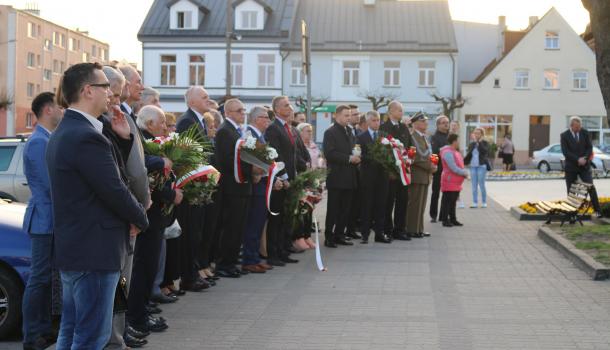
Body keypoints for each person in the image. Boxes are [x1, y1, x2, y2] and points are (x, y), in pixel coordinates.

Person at [46, 62, 148, 350]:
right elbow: (113, 188)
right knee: (91, 336)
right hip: (93, 250)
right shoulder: (84, 136)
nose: (112, 95)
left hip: (80, 248)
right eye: (105, 87)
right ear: (88, 91)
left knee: (72, 331)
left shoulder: (76, 130)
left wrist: (122, 138)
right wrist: (141, 217)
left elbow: (107, 176)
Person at [101, 65, 150, 350]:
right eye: (112, 94)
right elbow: (120, 177)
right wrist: (137, 210)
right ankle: (113, 337)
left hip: (127, 215)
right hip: (118, 219)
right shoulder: (97, 127)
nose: (115, 101)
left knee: (121, 284)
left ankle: (118, 333)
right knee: (115, 283)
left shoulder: (118, 121)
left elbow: (135, 168)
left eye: (118, 95)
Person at [128, 106, 182, 334]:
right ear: (149, 125)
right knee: (140, 269)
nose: (166, 127)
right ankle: (136, 318)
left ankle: (140, 313)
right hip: (146, 216)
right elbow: (144, 178)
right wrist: (170, 194)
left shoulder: (152, 143)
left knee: (146, 269)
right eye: (162, 123)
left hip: (153, 216)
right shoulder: (146, 144)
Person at [21, 92, 63, 350]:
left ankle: (45, 328)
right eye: (59, 106)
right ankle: (31, 334)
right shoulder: (38, 142)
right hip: (43, 220)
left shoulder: (47, 139)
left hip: (50, 219)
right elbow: (49, 185)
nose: (62, 111)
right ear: (48, 110)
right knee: (38, 278)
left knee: (49, 278)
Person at [215, 98, 256, 277]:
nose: (243, 113)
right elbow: (227, 159)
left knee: (238, 227)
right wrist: (251, 169)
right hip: (232, 187)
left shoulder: (239, 131)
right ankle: (225, 264)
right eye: (239, 110)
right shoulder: (225, 131)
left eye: (243, 110)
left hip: (242, 185)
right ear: (228, 113)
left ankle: (231, 263)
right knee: (231, 227)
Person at [242, 106, 279, 273]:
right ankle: (249, 259)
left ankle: (255, 257)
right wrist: (255, 171)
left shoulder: (260, 135)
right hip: (256, 183)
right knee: (253, 223)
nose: (268, 121)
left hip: (263, 182)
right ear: (256, 119)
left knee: (258, 223)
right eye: (265, 117)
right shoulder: (249, 134)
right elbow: (247, 159)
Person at [264, 96, 299, 265]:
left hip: (289, 178)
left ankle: (283, 250)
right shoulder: (273, 128)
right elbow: (276, 155)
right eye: (286, 105)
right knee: (276, 218)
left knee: (285, 217)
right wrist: (284, 177)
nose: (290, 108)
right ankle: (273, 254)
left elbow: (292, 155)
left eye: (290, 105)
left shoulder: (287, 127)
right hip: (278, 181)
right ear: (277, 109)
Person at [323, 105, 360, 248]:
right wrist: (349, 158)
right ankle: (329, 237)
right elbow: (330, 153)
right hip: (337, 177)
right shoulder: (330, 132)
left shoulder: (350, 131)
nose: (348, 118)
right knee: (333, 209)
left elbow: (353, 148)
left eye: (349, 115)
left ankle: (340, 234)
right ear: (336, 116)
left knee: (345, 209)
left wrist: (357, 154)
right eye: (346, 115)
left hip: (350, 176)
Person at [357, 111, 391, 244]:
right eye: (374, 120)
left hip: (383, 177)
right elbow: (359, 155)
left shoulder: (385, 137)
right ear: (368, 122)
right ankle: (365, 234)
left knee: (381, 205)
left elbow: (390, 153)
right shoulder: (361, 137)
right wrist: (374, 158)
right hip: (368, 177)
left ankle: (379, 233)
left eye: (378, 120)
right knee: (367, 205)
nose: (377, 123)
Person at [380, 101, 412, 241]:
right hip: (391, 173)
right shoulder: (383, 128)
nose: (401, 113)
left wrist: (410, 158)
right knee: (388, 202)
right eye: (399, 110)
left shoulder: (404, 128)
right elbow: (381, 151)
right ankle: (388, 229)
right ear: (390, 111)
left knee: (403, 201)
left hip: (403, 172)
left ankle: (400, 229)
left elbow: (410, 146)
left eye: (402, 110)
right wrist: (390, 168)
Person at [561, 116, 601, 215]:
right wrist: (577, 159)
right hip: (571, 167)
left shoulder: (585, 133)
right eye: (577, 127)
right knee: (571, 191)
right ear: (571, 126)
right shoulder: (564, 135)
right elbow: (566, 152)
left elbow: (589, 148)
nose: (579, 129)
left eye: (580, 127)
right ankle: (572, 215)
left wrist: (585, 158)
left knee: (591, 187)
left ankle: (598, 211)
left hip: (585, 166)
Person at [406, 112, 436, 238]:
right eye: (423, 121)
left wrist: (435, 165)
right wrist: (430, 167)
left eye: (426, 121)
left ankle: (419, 228)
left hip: (425, 175)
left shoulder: (424, 137)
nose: (426, 123)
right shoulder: (411, 137)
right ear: (415, 123)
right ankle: (412, 229)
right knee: (415, 204)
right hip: (417, 174)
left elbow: (430, 154)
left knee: (422, 204)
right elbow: (414, 157)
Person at [439, 134, 468, 227]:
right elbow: (453, 167)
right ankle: (445, 220)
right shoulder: (447, 152)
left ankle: (453, 219)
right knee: (447, 201)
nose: (459, 142)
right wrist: (464, 172)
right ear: (454, 141)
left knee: (453, 201)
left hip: (455, 182)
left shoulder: (454, 151)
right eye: (458, 140)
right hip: (449, 180)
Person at [345, 105, 362, 240]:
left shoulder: (356, 131)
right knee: (346, 205)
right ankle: (344, 229)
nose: (358, 116)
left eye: (358, 114)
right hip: (346, 172)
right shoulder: (346, 131)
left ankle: (351, 229)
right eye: (355, 114)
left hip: (357, 172)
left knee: (355, 203)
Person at [429, 115, 449, 223]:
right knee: (435, 192)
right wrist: (434, 166)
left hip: (449, 170)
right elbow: (434, 153)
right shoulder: (434, 137)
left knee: (447, 193)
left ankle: (443, 215)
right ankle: (433, 214)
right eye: (443, 122)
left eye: (447, 122)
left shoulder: (451, 136)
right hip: (439, 168)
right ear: (438, 125)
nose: (446, 124)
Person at [464, 127, 490, 208]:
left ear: (482, 134)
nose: (476, 135)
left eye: (478, 133)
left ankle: (484, 202)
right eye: (475, 133)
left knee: (481, 184)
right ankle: (475, 202)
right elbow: (469, 154)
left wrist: (480, 142)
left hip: (481, 166)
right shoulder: (472, 144)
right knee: (474, 185)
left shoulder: (485, 143)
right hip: (473, 167)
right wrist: (463, 162)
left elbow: (484, 151)